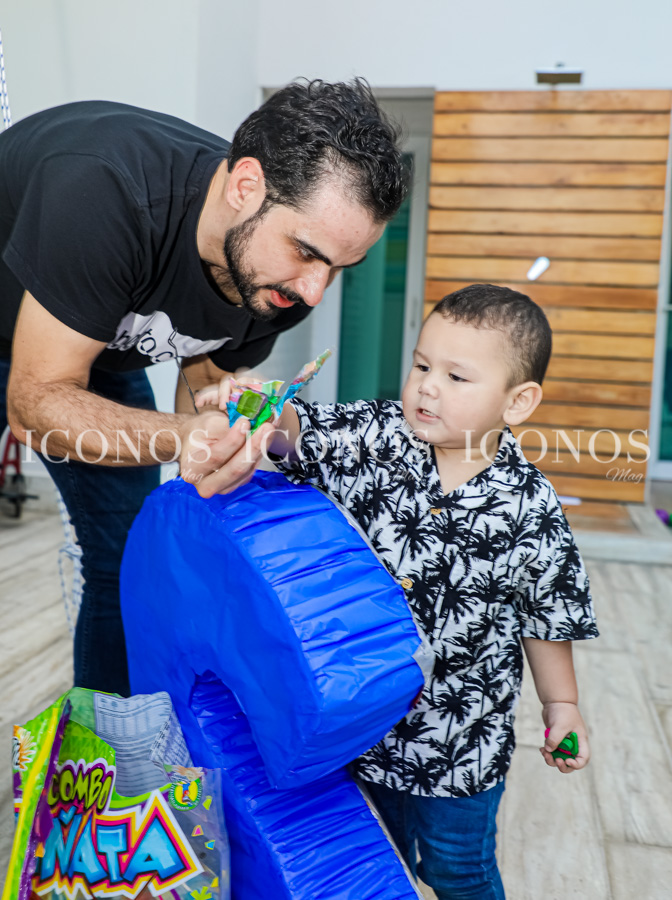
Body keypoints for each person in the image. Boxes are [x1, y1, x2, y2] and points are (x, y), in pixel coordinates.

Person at [0, 79, 409, 696]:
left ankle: (109, 748)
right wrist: (183, 437)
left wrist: (217, 428)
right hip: (28, 329)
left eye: (337, 267)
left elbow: (204, 374)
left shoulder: (280, 284)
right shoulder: (108, 191)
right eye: (306, 251)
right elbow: (35, 403)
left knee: (127, 556)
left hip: (91, 346)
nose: (314, 292)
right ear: (245, 187)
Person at [201, 283, 599, 899]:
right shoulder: (378, 436)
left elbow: (546, 616)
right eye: (420, 365)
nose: (427, 387)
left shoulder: (531, 508)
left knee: (456, 868)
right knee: (370, 857)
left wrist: (561, 705)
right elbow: (300, 432)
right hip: (359, 722)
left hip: (459, 741)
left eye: (456, 377)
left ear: (517, 401)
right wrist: (263, 407)